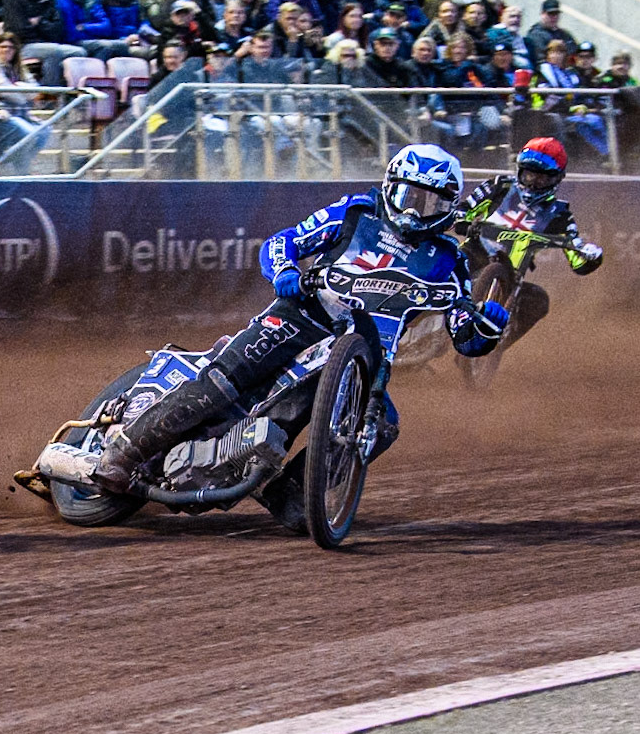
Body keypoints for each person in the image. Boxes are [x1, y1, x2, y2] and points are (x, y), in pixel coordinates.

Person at [89, 144, 509, 504]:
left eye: (431, 203)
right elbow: (281, 242)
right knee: (227, 378)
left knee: (380, 426)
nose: (418, 210)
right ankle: (122, 455)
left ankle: (293, 499)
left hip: (364, 357)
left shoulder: (449, 260)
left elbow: (464, 335)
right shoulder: (355, 213)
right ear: (390, 185)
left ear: (448, 207)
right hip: (304, 316)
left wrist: (487, 325)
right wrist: (285, 272)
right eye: (410, 195)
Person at [453, 137, 603, 344]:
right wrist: (463, 220)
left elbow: (577, 258)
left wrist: (590, 257)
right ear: (520, 171)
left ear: (557, 178)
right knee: (444, 262)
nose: (533, 182)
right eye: (530, 174)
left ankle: (493, 347)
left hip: (513, 274)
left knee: (538, 300)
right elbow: (463, 209)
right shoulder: (500, 186)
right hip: (475, 252)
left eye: (541, 179)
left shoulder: (560, 215)